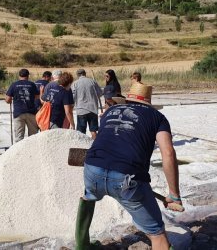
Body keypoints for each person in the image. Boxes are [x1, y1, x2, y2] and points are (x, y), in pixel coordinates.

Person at [75, 82, 182, 250]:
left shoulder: (109, 111)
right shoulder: (157, 118)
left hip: (92, 168)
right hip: (127, 178)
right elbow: (168, 153)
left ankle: (82, 246)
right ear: (149, 102)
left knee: (89, 196)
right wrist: (174, 195)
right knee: (157, 233)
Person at [5, 69, 39, 143]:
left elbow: (7, 99)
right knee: (33, 136)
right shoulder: (32, 84)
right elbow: (37, 97)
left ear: (19, 76)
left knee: (19, 137)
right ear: (28, 76)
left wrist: (11, 100)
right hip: (31, 112)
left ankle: (19, 153)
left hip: (18, 113)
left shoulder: (14, 85)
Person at [71, 69, 102, 139]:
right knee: (93, 131)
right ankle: (94, 145)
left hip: (81, 110)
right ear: (85, 74)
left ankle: (82, 148)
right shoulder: (92, 81)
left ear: (77, 75)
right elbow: (100, 93)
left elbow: (72, 98)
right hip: (92, 109)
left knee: (81, 132)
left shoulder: (75, 83)